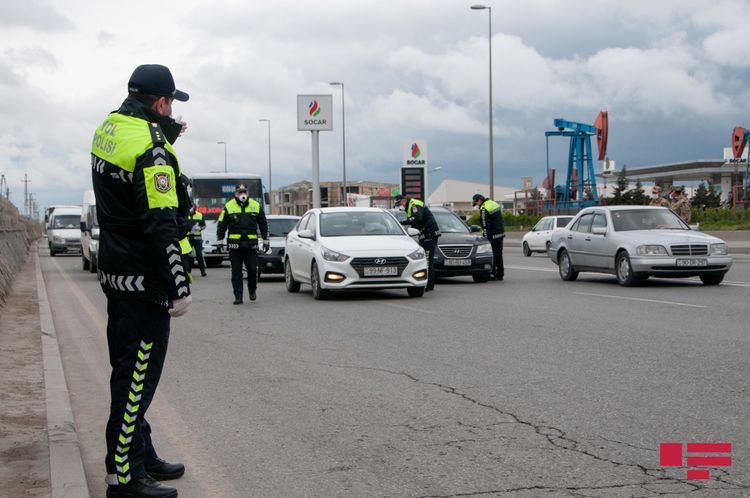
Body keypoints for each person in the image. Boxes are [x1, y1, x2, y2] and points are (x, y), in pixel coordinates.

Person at [91, 64, 191, 498]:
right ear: (161, 102)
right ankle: (124, 476)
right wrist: (177, 285)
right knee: (136, 380)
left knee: (128, 370)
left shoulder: (109, 128)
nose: (172, 112)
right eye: (170, 103)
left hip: (116, 271)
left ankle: (141, 452)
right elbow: (159, 222)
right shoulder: (152, 149)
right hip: (144, 280)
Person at [217, 184, 269, 304]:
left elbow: (263, 224)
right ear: (235, 194)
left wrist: (266, 241)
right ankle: (238, 296)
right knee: (236, 272)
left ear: (248, 193)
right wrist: (219, 242)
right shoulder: (229, 206)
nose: (242, 195)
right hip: (235, 247)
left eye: (244, 192)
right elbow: (221, 225)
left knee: (252, 270)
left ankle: (252, 290)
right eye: (239, 192)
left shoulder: (256, 206)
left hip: (251, 245)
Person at [394, 194, 440, 291]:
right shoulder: (409, 206)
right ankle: (429, 284)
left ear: (403, 200)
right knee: (426, 260)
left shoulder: (414, 204)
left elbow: (417, 218)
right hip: (425, 235)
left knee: (427, 261)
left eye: (399, 203)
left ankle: (428, 285)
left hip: (430, 234)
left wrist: (402, 222)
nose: (399, 206)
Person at [472, 194, 505, 281]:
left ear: (479, 200)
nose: (477, 205)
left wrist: (487, 239)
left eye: (476, 203)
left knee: (492, 255)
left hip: (492, 236)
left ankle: (493, 274)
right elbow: (500, 220)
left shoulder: (484, 208)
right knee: (499, 254)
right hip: (500, 234)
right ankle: (500, 274)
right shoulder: (494, 203)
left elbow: (485, 225)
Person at [186, 205, 207, 277]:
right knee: (187, 255)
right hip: (188, 238)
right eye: (190, 206)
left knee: (199, 255)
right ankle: (188, 271)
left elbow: (204, 225)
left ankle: (203, 271)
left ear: (195, 207)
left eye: (193, 206)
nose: (191, 208)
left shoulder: (199, 215)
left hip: (197, 238)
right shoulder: (185, 215)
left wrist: (199, 228)